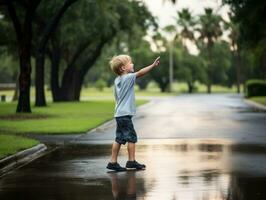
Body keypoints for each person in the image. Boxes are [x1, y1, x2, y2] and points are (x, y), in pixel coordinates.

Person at [106, 54, 160, 171]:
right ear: (123, 68)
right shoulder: (128, 77)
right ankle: (131, 161)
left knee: (119, 138)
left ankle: (113, 162)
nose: (132, 64)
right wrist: (153, 65)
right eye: (130, 63)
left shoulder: (117, 81)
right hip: (125, 114)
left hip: (119, 113)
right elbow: (141, 72)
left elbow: (116, 97)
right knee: (131, 137)